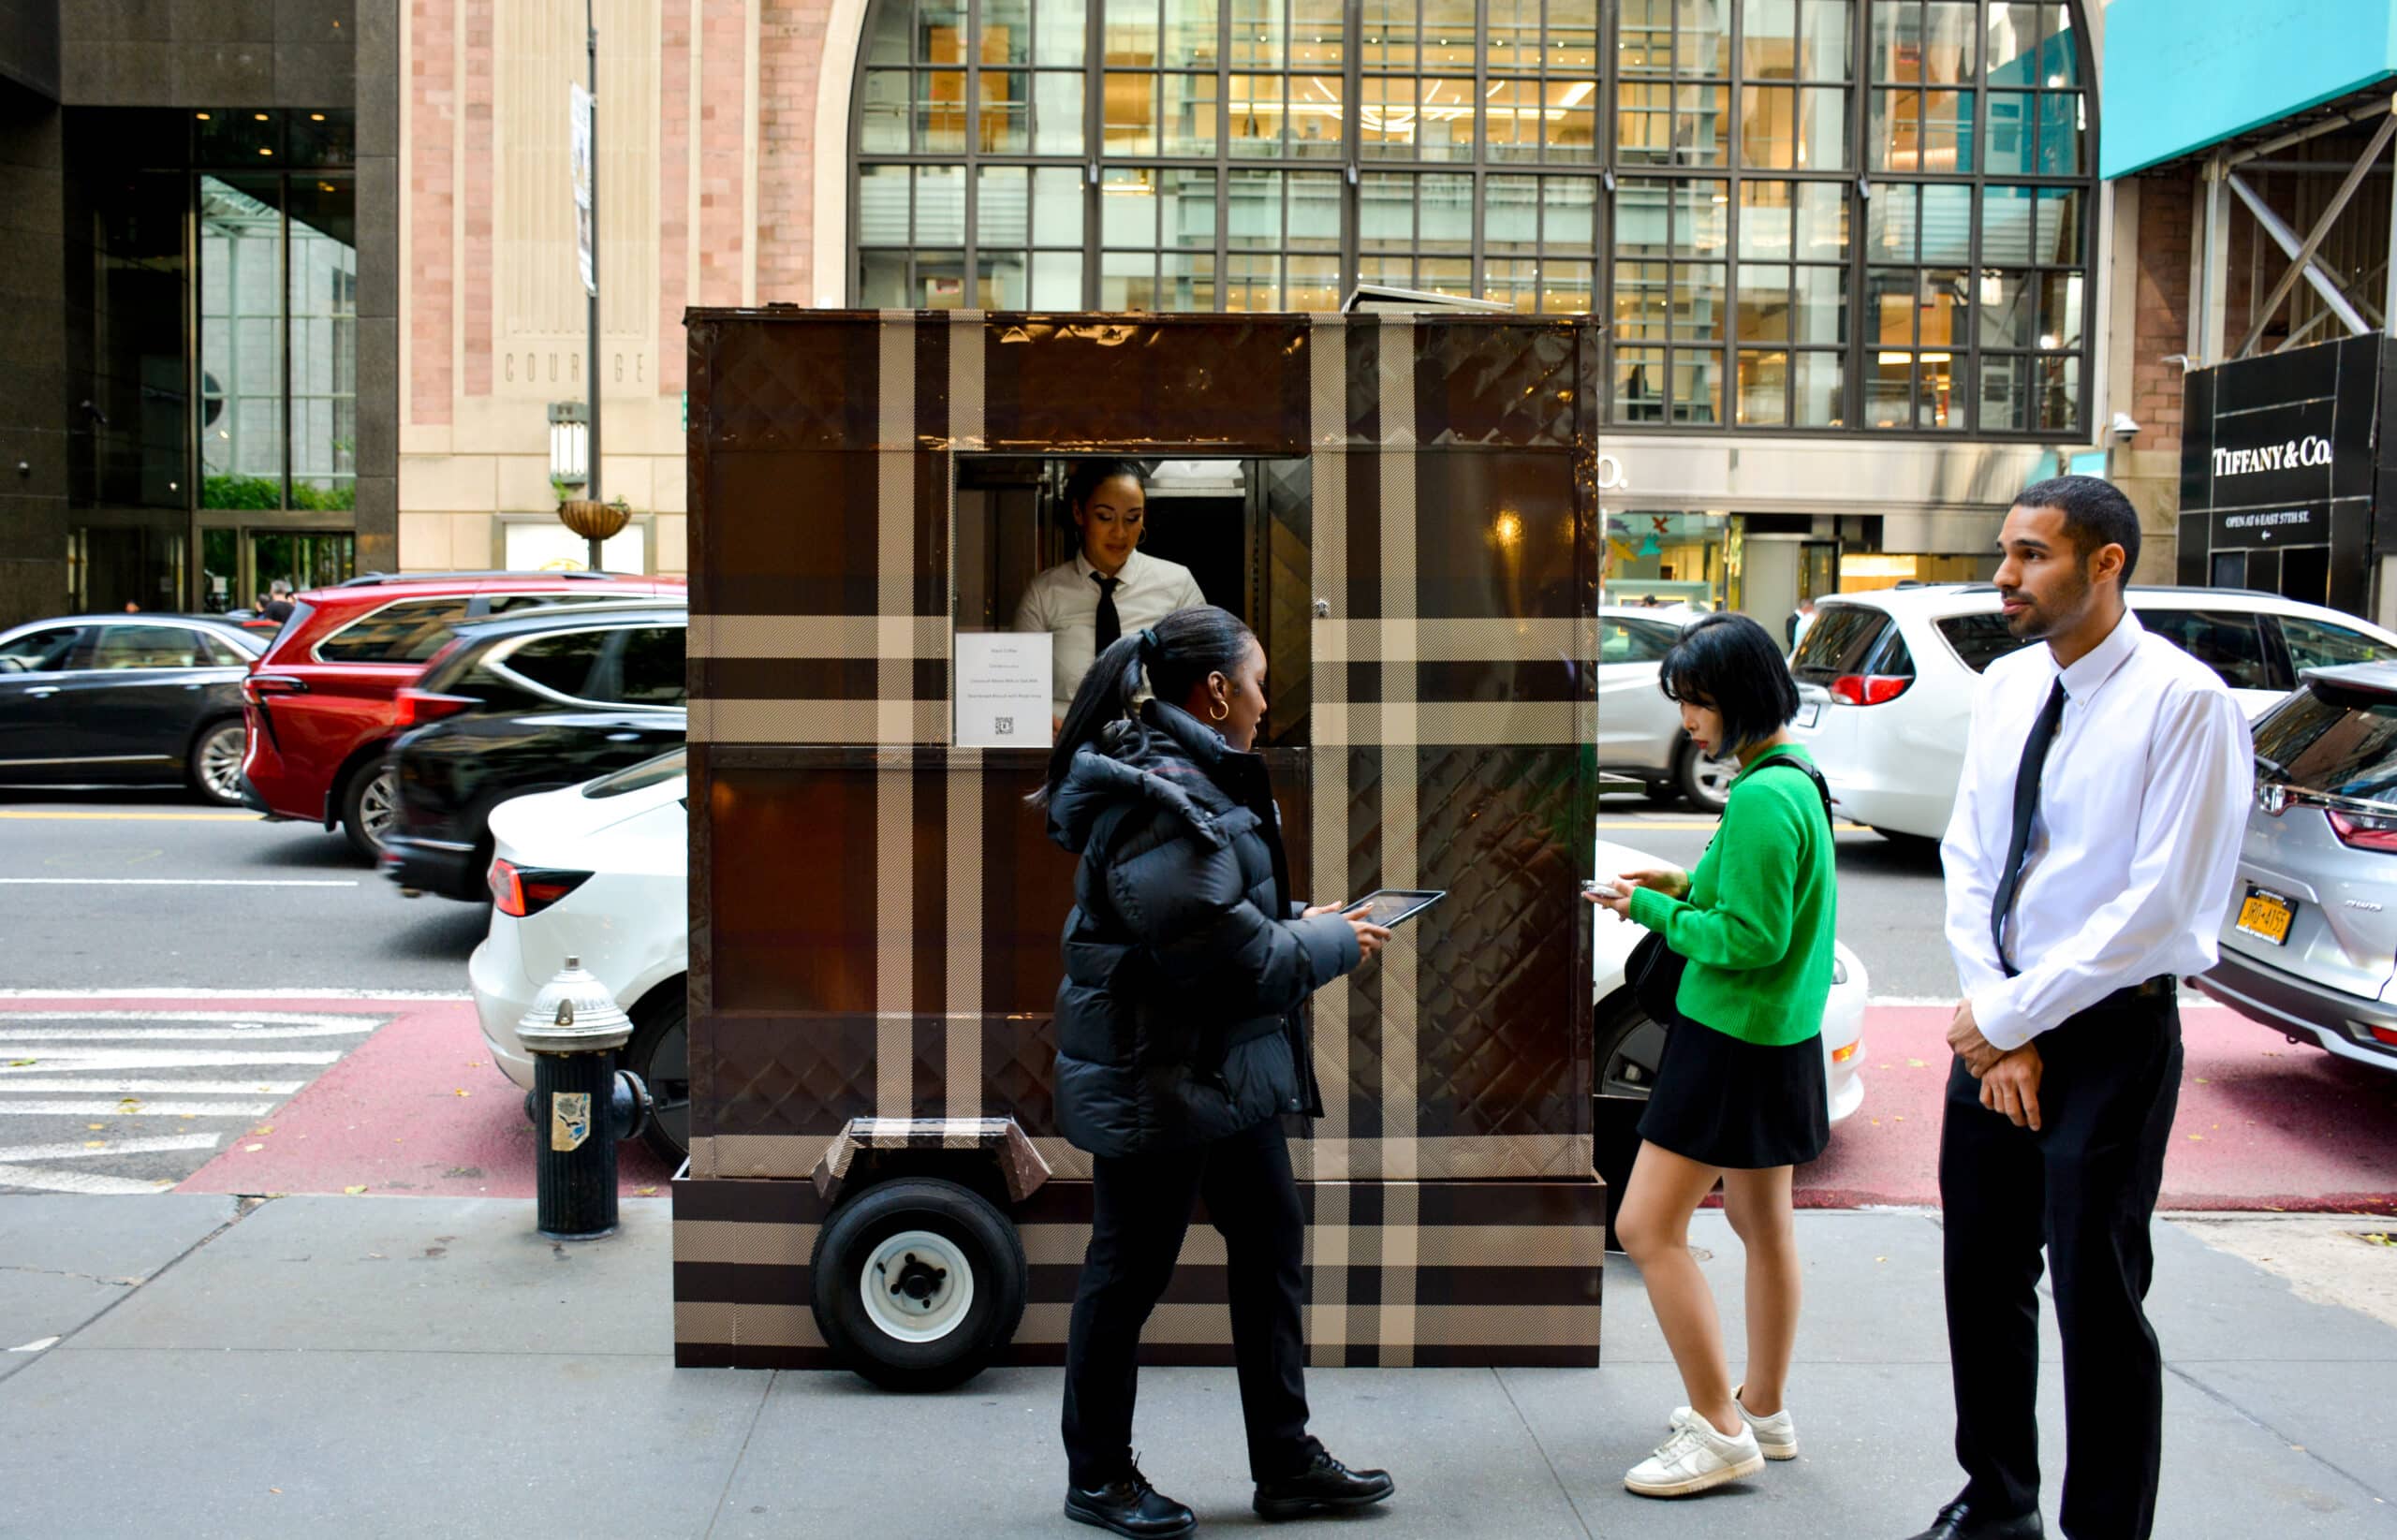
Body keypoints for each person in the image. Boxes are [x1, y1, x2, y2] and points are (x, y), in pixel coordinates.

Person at [1904, 477, 2250, 1540]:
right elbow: (1968, 854)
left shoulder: (2184, 701)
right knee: (1982, 1271)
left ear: (2105, 564)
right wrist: (1996, 1015)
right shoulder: (2008, 684)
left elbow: (2163, 907)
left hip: (2107, 1030)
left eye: (2032, 556)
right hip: (2000, 1016)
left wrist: (2020, 1020)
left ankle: (2103, 1527)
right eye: (2005, 551)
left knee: (2097, 1295)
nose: (2004, 576)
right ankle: (1996, 1498)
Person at [1039, 605, 1395, 1539]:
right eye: (1261, 681)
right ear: (1217, 691)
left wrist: (1298, 919)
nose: (1268, 703)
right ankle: (1098, 1476)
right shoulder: (1164, 791)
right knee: (1127, 1273)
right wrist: (1328, 940)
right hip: (1157, 1072)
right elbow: (1227, 958)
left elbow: (1217, 917)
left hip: (1217, 1065)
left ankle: (1285, 1461)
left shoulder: (1194, 772)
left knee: (1270, 1243)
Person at [1585, 610, 1837, 1501]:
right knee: (1762, 1224)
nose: (1688, 720)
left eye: (1697, 702)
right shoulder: (1793, 775)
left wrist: (1652, 912)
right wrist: (1681, 882)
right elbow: (1760, 899)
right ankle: (1761, 1406)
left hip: (1730, 1037)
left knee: (1646, 1228)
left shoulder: (1766, 793)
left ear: (1738, 696)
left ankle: (1720, 1429)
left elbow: (1753, 935)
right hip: (1776, 1038)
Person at [1014, 460, 1207, 728]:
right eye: (1105, 517)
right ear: (1079, 513)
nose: (1120, 533)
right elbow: (1017, 688)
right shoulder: (1045, 593)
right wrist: (1041, 723)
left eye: (1132, 518)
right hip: (1067, 748)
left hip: (1153, 748)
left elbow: (1204, 676)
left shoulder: (1177, 585)